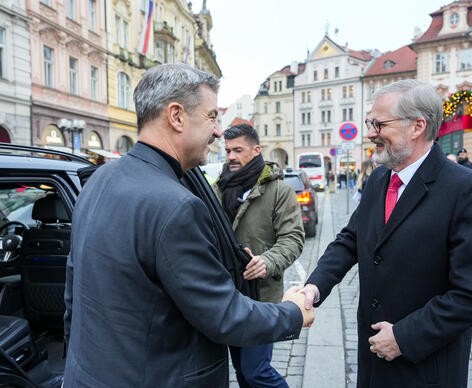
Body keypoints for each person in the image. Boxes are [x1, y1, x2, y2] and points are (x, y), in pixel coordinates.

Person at [63, 64, 313, 387]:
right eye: (211, 117)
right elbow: (223, 314)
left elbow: (73, 295)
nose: (219, 131)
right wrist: (292, 312)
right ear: (177, 116)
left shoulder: (97, 180)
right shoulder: (176, 205)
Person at [300, 79, 472, 387]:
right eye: (370, 123)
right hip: (373, 360)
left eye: (379, 124)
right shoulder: (380, 178)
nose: (370, 133)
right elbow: (351, 239)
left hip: (425, 366)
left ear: (417, 126)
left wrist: (405, 337)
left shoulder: (465, 189)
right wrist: (313, 287)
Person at [213, 124, 305, 388]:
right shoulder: (219, 189)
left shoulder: (279, 191)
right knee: (242, 370)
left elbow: (293, 239)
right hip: (228, 297)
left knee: (256, 371)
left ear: (256, 151)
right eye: (228, 150)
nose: (231, 156)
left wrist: (267, 261)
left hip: (262, 298)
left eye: (238, 150)